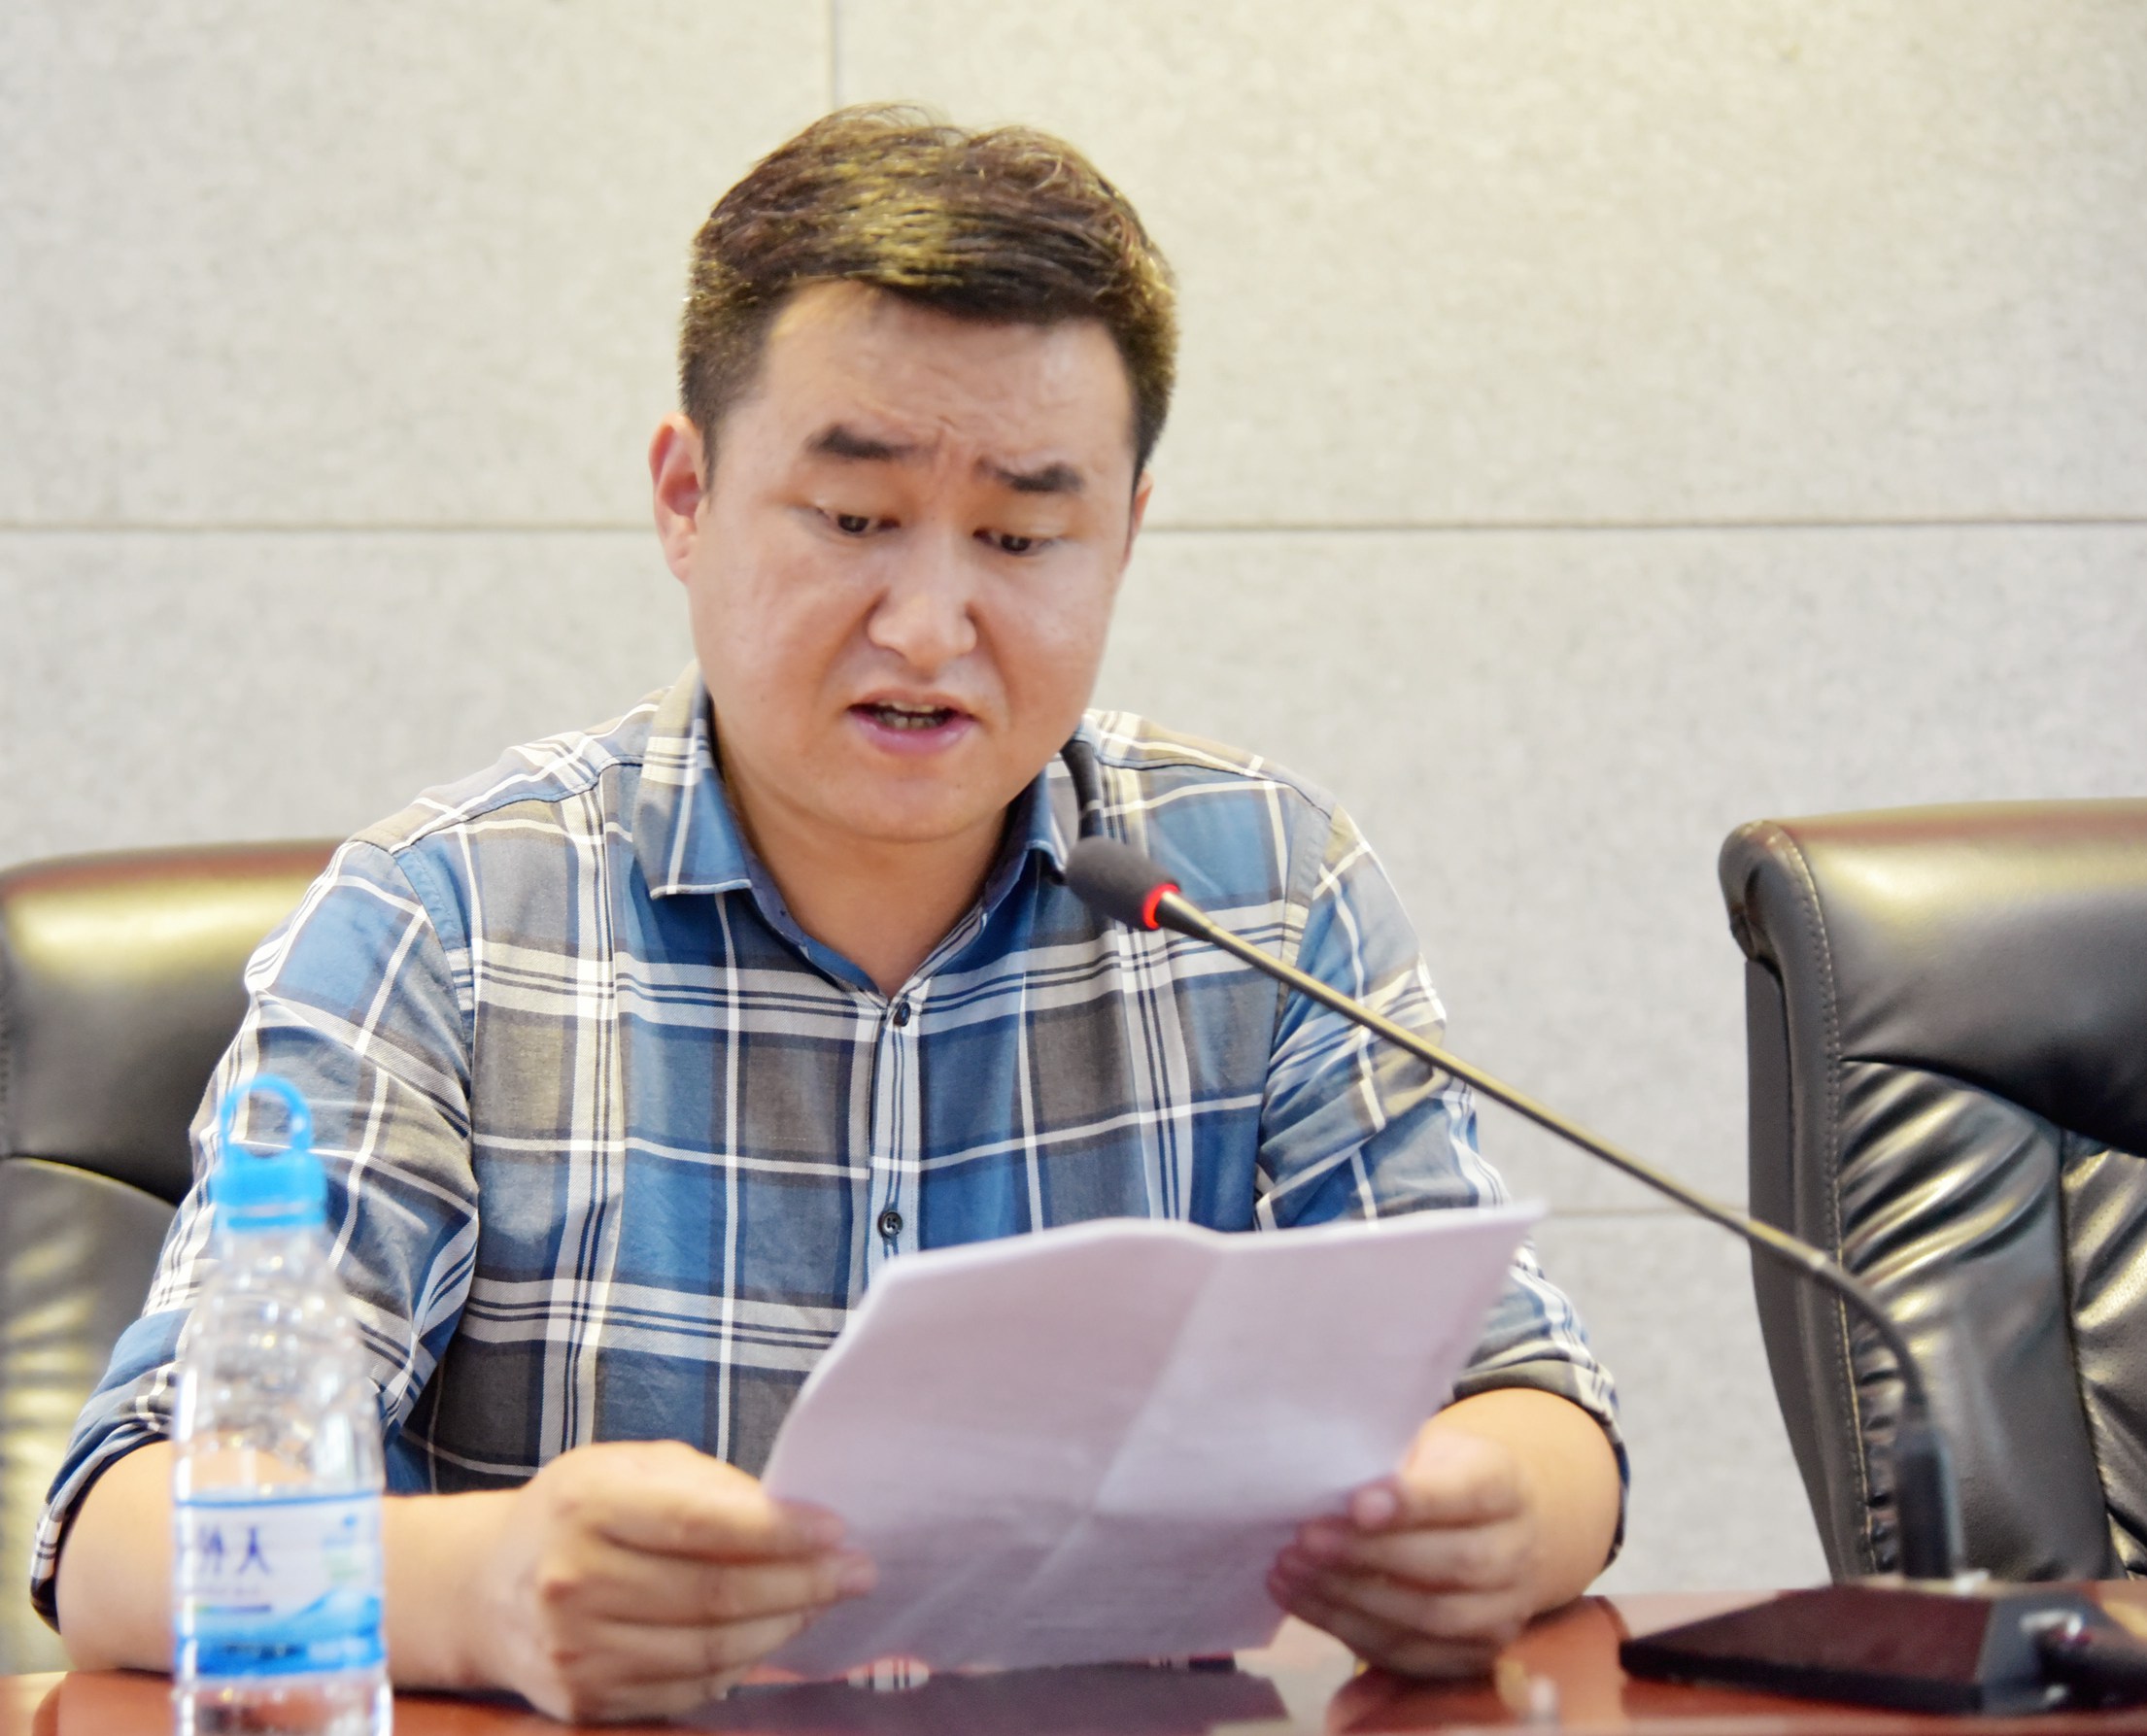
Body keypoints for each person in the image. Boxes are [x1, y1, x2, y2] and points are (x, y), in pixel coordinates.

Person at [38, 107, 1624, 1723]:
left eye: (1022, 536)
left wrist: (1489, 1519)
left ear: (1123, 536)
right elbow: (117, 1535)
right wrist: (477, 1588)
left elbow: (1536, 1404)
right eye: (856, 520)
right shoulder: (449, 921)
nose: (929, 626)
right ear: (687, 497)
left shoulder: (1257, 893)